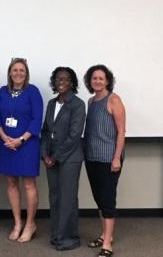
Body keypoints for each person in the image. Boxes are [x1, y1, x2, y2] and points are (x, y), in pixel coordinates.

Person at [0, 58, 43, 243]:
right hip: (6, 144)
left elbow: (37, 119)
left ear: (26, 73)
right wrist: (5, 137)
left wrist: (21, 139)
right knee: (11, 183)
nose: (18, 73)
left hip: (27, 145)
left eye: (22, 70)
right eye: (15, 70)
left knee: (29, 184)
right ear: (10, 73)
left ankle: (30, 224)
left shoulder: (33, 92)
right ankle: (17, 223)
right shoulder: (2, 92)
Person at [40, 67, 86, 250]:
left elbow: (74, 135)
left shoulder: (78, 104)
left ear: (72, 82)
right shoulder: (52, 103)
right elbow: (45, 131)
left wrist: (55, 157)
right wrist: (45, 154)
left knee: (68, 198)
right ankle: (57, 235)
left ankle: (69, 238)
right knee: (55, 197)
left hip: (69, 158)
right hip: (50, 157)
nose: (61, 81)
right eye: (58, 78)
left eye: (66, 79)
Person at [83, 64, 125, 257]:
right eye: (94, 78)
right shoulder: (91, 102)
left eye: (101, 78)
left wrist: (116, 157)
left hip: (109, 159)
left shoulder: (114, 100)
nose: (97, 81)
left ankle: (107, 243)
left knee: (107, 200)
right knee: (99, 199)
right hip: (92, 157)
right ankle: (104, 234)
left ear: (107, 80)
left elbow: (121, 132)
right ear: (89, 81)